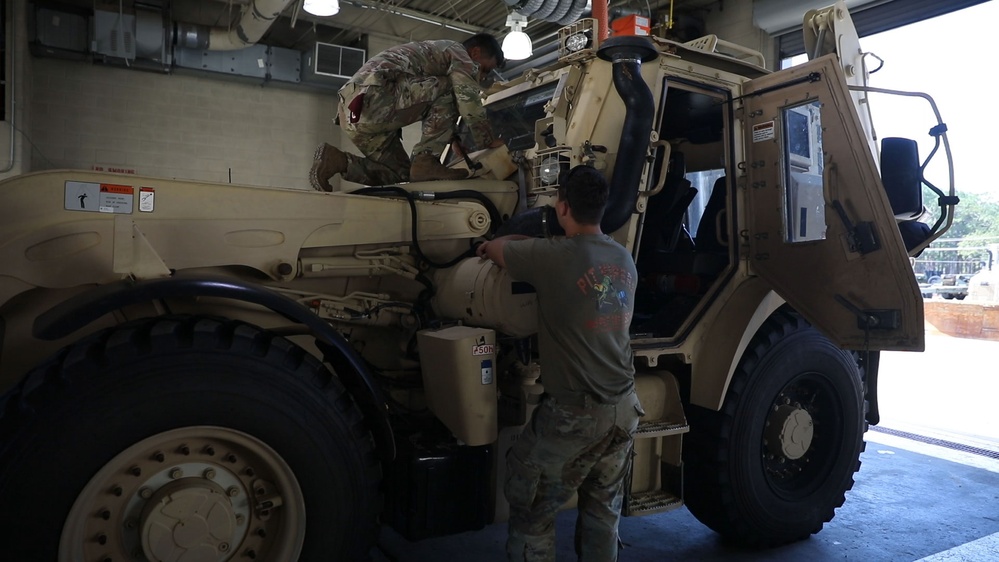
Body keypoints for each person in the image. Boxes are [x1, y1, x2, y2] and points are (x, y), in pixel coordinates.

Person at [476, 165, 643, 562]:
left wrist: (490, 243)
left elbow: (497, 249)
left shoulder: (553, 256)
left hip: (574, 416)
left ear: (562, 206)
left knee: (531, 510)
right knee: (603, 514)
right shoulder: (623, 258)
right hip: (624, 408)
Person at [309, 34, 506, 190]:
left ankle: (337, 161)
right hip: (375, 99)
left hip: (352, 112)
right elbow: (466, 98)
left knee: (405, 174)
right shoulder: (459, 53)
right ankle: (426, 159)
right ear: (476, 52)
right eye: (485, 69)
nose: (481, 76)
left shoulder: (437, 55)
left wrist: (451, 137)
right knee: (454, 88)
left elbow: (429, 104)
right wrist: (487, 141)